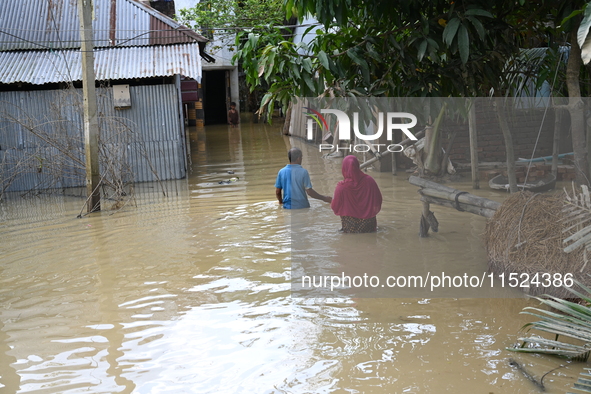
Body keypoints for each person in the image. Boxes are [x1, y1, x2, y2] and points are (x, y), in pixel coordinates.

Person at [331, 155, 382, 233]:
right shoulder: (370, 181)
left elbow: (335, 206)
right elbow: (378, 199)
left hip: (350, 226)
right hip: (369, 224)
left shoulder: (341, 187)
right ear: (357, 166)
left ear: (344, 168)